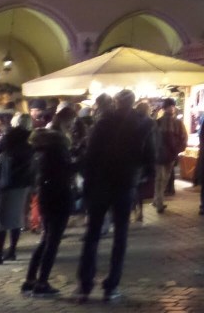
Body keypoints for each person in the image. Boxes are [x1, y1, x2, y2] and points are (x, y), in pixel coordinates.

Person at [76, 89, 156, 302]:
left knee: (93, 234)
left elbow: (90, 156)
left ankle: (85, 283)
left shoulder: (102, 123)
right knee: (120, 236)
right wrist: (140, 178)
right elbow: (150, 158)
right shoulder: (143, 125)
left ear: (116, 102)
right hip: (125, 184)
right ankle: (111, 285)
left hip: (101, 184)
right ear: (133, 103)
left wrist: (89, 183)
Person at [23, 106, 76, 296]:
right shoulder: (58, 147)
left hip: (45, 194)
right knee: (52, 241)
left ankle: (30, 279)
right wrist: (79, 161)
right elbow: (65, 170)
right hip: (59, 195)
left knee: (46, 238)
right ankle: (42, 282)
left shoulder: (41, 146)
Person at [0, 112, 34, 263]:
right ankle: (12, 250)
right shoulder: (31, 140)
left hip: (4, 182)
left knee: (0, 221)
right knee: (16, 219)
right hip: (22, 183)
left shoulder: (7, 139)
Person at [152, 99, 187, 214]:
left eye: (173, 106)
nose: (172, 108)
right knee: (161, 178)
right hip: (164, 154)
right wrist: (177, 149)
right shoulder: (159, 122)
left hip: (167, 154)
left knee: (163, 178)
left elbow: (184, 138)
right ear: (164, 108)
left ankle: (157, 199)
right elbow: (183, 138)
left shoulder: (176, 122)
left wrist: (178, 150)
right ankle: (159, 202)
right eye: (169, 106)